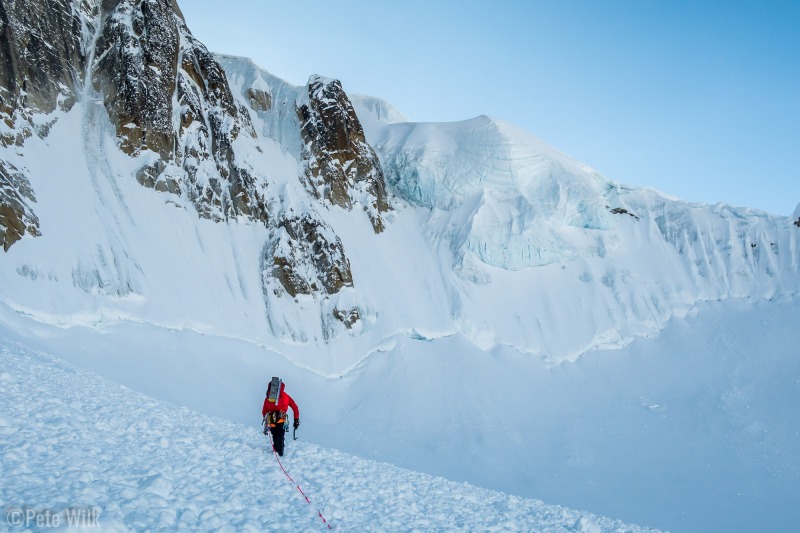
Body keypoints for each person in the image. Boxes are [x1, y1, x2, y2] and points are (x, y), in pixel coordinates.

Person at [261, 377, 300, 456]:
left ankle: (276, 451)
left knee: (275, 435)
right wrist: (296, 419)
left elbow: (264, 411)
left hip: (271, 419)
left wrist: (266, 421)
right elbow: (295, 407)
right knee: (280, 435)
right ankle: (280, 453)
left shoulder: (268, 398)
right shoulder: (285, 396)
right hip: (281, 419)